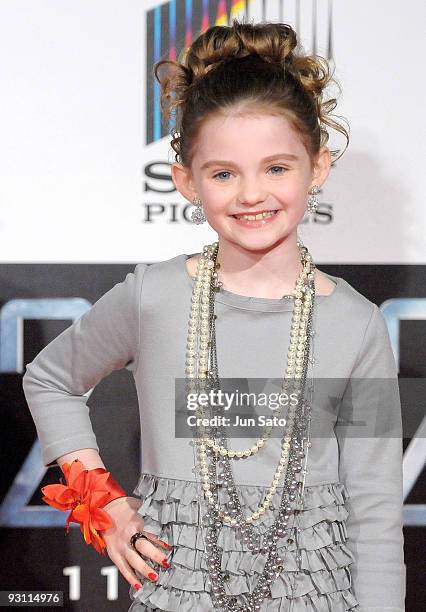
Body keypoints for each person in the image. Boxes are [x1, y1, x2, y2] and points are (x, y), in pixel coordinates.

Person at [23, 19, 405, 612]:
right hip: (178, 592)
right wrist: (102, 505)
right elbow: (50, 379)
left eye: (277, 168)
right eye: (224, 173)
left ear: (318, 166)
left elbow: (377, 509)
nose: (252, 194)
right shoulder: (155, 296)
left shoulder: (356, 323)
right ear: (186, 182)